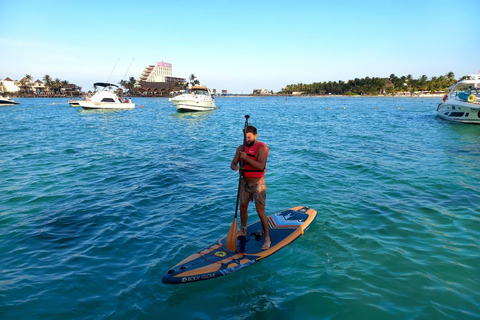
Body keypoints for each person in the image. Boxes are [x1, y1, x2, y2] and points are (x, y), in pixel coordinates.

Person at [231, 125, 270, 250]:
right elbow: (233, 163)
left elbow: (260, 166)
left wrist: (246, 158)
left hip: (258, 183)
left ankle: (267, 238)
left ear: (255, 135)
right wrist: (235, 167)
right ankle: (243, 230)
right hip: (244, 183)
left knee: (260, 211)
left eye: (249, 137)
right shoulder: (240, 149)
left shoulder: (262, 148)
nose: (247, 139)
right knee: (243, 207)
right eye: (245, 137)